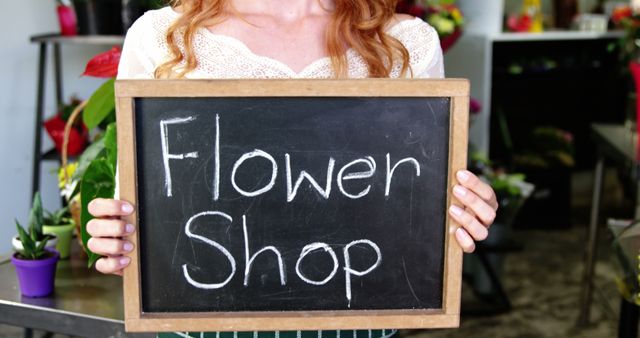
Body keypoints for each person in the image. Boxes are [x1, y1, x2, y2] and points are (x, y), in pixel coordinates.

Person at [86, 0, 498, 336]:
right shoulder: (162, 39)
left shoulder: (406, 43)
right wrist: (114, 238)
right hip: (201, 323)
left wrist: (460, 207)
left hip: (356, 325)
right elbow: (135, 207)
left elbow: (418, 205)